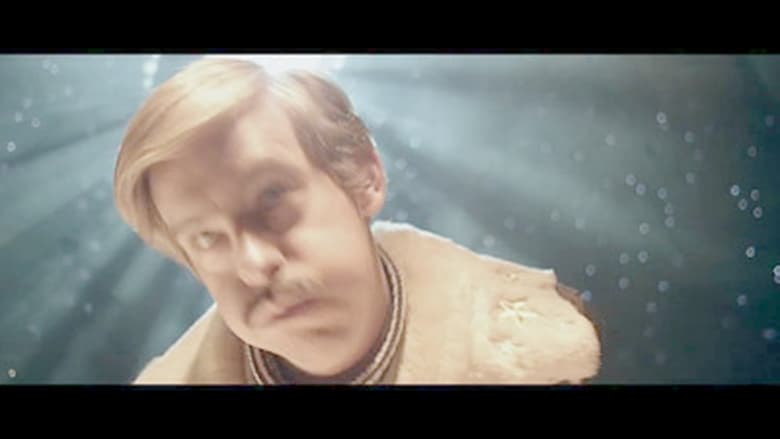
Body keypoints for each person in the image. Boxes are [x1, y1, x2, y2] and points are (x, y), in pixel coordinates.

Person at [113, 57, 601, 385]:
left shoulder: (546, 355)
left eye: (272, 197)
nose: (255, 265)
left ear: (365, 177)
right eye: (206, 238)